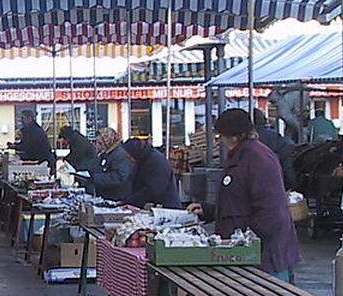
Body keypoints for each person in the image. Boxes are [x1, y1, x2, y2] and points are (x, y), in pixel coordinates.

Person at [188, 108, 301, 279]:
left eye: (221, 136)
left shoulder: (258, 159)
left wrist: (245, 239)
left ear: (233, 136)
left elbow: (271, 211)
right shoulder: (241, 156)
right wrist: (209, 210)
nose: (221, 141)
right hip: (246, 254)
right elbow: (238, 199)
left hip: (265, 257)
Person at [121, 139, 181, 209]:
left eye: (129, 156)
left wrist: (130, 200)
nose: (129, 159)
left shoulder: (156, 161)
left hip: (166, 208)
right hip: (152, 206)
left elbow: (154, 190)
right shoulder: (142, 159)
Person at [78, 128, 134, 202]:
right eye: (96, 142)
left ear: (107, 142)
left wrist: (95, 177)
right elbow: (96, 167)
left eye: (100, 143)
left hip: (117, 197)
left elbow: (119, 177)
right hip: (106, 195)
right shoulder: (105, 153)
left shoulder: (119, 155)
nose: (97, 146)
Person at [253, 109, 296, 189]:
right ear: (265, 120)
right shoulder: (277, 138)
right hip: (276, 185)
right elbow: (287, 167)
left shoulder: (243, 140)